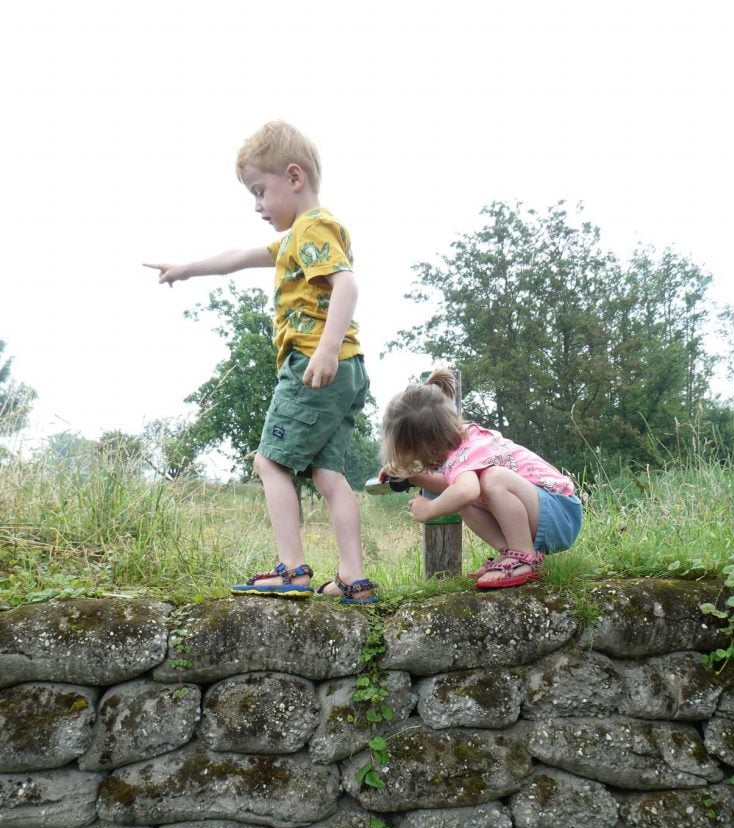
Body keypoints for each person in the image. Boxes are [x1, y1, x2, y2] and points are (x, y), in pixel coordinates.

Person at [145, 120, 376, 603]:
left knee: (269, 462)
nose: (256, 206)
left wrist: (326, 348)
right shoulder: (296, 238)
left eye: (259, 191)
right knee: (328, 475)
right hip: (348, 368)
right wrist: (187, 269)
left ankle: (291, 569)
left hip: (317, 361)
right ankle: (353, 578)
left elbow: (347, 284)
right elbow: (241, 256)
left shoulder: (312, 226)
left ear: (294, 178)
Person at [380, 368, 582, 589]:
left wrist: (429, 509)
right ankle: (510, 553)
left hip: (561, 513)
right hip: (544, 514)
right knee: (460, 498)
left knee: (492, 479)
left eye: (412, 454)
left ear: (423, 446)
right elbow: (457, 487)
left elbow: (466, 491)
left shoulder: (467, 452)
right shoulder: (461, 445)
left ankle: (524, 556)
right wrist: (412, 478)